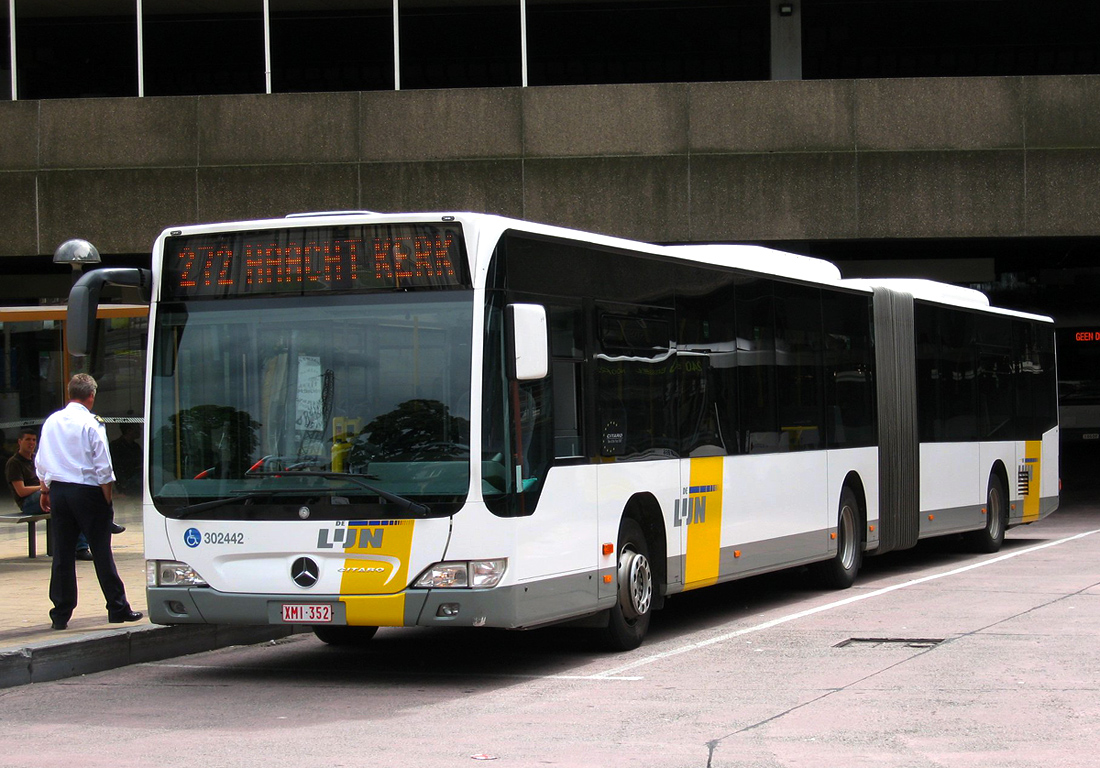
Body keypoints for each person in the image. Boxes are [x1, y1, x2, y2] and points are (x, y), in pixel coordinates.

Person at [36, 374, 142, 630]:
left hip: (59, 491)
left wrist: (44, 489)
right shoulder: (92, 423)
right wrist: (107, 498)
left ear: (70, 392)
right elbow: (103, 465)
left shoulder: (52, 420)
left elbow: (40, 459)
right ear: (91, 396)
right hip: (87, 491)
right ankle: (117, 607)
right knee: (102, 551)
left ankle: (60, 614)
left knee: (62, 553)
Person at [5, 428, 97, 560]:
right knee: (69, 500)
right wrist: (43, 488)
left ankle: (82, 544)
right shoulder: (14, 463)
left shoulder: (36, 458)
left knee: (75, 501)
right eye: (27, 440)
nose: (31, 443)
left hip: (44, 492)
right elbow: (21, 491)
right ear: (20, 442)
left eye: (34, 440)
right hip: (28, 502)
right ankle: (81, 547)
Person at [109, 422, 142, 497]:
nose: (140, 429)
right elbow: (114, 467)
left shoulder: (136, 447)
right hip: (123, 485)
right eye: (137, 427)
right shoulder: (115, 446)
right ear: (129, 430)